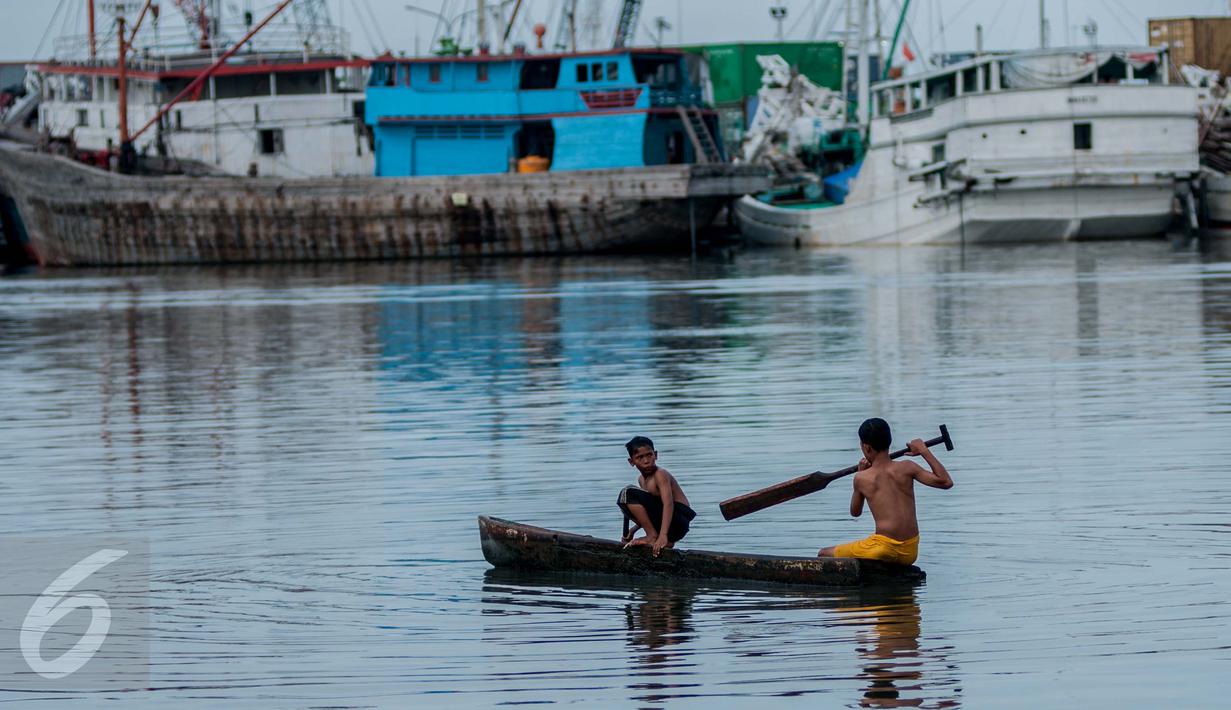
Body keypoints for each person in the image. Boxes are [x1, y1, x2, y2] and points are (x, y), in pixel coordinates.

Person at [819, 418, 953, 565]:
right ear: (889, 441)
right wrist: (924, 451)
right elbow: (946, 482)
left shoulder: (862, 478)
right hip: (910, 551)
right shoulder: (907, 467)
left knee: (823, 554)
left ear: (866, 447)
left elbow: (855, 512)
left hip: (883, 550)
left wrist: (861, 475)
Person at [618, 436, 696, 556]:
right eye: (640, 457)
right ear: (631, 462)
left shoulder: (660, 474)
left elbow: (668, 504)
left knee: (626, 493)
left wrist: (663, 535)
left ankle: (652, 536)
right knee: (625, 502)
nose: (646, 461)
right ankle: (665, 541)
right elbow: (646, 509)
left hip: (678, 520)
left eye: (649, 455)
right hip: (671, 526)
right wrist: (633, 530)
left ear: (655, 455)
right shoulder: (641, 480)